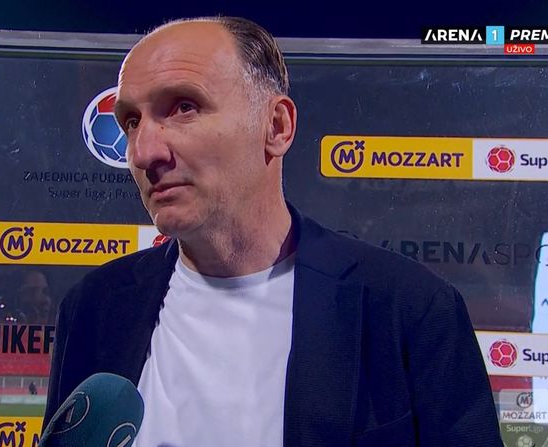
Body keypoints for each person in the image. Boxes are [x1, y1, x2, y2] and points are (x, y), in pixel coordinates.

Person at [44, 17, 502, 446]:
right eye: (131, 121)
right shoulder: (93, 309)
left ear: (276, 127)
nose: (144, 152)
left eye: (184, 107)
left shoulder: (410, 309)